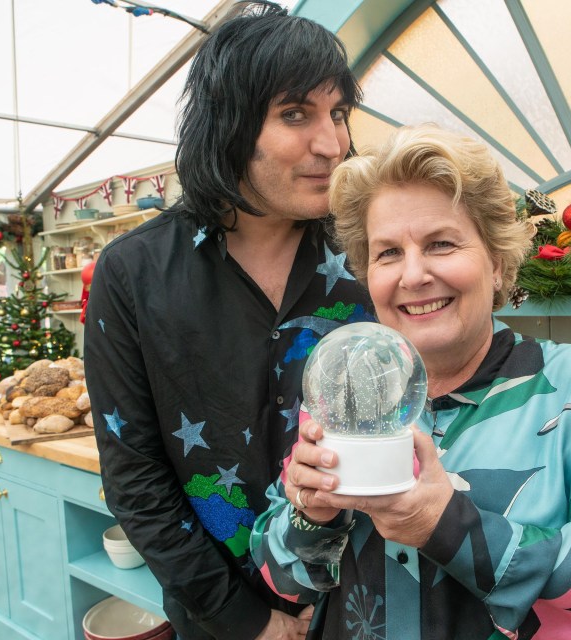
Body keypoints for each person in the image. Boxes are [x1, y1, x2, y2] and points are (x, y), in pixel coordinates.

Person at [251, 125, 571, 639]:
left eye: (441, 243)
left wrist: (450, 528)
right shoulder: (351, 392)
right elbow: (280, 579)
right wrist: (312, 516)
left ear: (499, 262)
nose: (412, 275)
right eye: (388, 252)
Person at [83, 3, 373, 639]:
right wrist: (243, 620)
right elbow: (134, 477)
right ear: (228, 122)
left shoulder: (370, 251)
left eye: (338, 114)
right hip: (222, 614)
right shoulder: (133, 274)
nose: (332, 143)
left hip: (369, 598)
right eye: (295, 114)